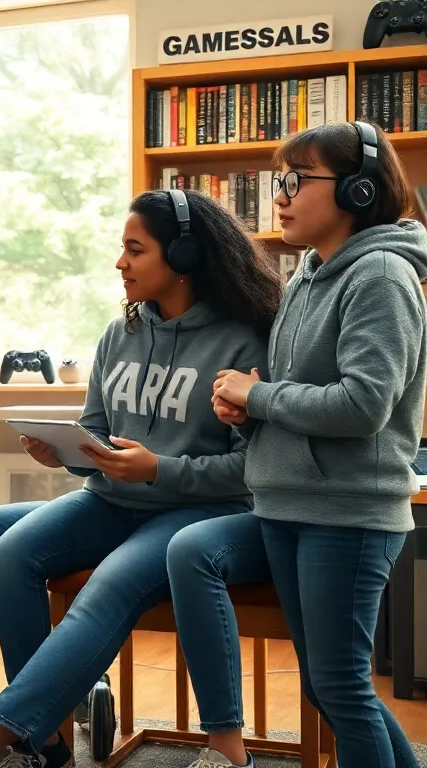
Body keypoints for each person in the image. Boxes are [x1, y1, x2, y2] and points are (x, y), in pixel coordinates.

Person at [0, 188, 282, 768]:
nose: (120, 263)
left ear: (184, 257)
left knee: (106, 585)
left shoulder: (243, 342)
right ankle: (45, 739)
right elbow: (95, 431)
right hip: (111, 499)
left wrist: (159, 468)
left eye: (134, 250)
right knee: (13, 550)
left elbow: (254, 467)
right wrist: (65, 451)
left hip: (198, 512)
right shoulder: (121, 335)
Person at [205, 121, 426, 768]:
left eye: (298, 180)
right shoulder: (307, 275)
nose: (281, 194)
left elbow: (363, 405)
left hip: (347, 512)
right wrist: (247, 409)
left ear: (358, 191)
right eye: (282, 179)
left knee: (341, 687)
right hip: (289, 503)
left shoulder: (380, 276)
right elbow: (295, 390)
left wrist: (260, 398)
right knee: (331, 687)